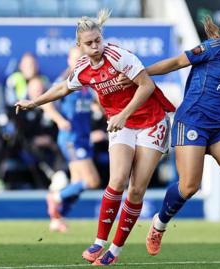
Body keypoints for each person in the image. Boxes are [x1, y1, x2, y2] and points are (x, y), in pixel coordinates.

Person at [14, 9, 175, 266]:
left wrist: (124, 114)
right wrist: (34, 102)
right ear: (79, 45)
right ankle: (99, 241)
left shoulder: (119, 56)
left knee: (135, 190)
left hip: (150, 122)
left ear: (102, 37)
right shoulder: (82, 68)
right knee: (117, 180)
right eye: (89, 43)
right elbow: (63, 87)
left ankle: (115, 249)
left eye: (98, 40)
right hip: (122, 123)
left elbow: (148, 85)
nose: (96, 47)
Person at [142, 16, 220, 258]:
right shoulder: (216, 48)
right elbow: (178, 62)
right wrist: (143, 74)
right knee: (189, 186)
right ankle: (159, 224)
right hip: (192, 122)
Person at [42, 47, 101, 233]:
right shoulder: (63, 81)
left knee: (77, 183)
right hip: (72, 138)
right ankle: (56, 197)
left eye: (83, 58)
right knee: (92, 181)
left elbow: (94, 103)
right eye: (76, 59)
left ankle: (58, 218)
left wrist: (97, 107)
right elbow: (46, 103)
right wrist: (60, 120)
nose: (80, 62)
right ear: (69, 60)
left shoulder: (87, 83)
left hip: (83, 137)